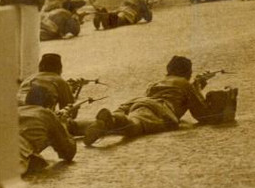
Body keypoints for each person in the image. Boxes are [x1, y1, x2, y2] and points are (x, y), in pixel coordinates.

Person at [83, 56, 227, 145]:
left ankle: (72, 125)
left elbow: (166, 95)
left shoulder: (157, 83)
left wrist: (196, 86)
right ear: (187, 73)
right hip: (160, 108)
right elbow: (202, 114)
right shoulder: (185, 83)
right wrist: (198, 90)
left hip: (138, 101)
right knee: (136, 125)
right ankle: (113, 120)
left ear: (168, 70)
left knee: (124, 117)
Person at [19, 83, 78, 175]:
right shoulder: (46, 114)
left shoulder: (17, 110)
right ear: (50, 106)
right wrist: (63, 124)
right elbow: (68, 152)